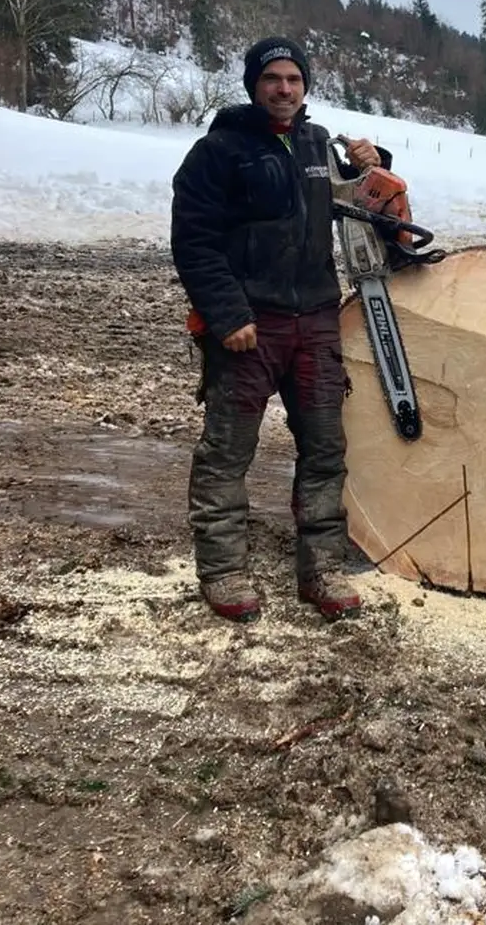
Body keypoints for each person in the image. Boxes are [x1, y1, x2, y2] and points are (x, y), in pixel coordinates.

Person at [171, 35, 386, 623]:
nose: (283, 89)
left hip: (314, 319)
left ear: (306, 85)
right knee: (226, 453)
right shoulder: (218, 151)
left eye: (293, 79)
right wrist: (227, 314)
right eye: (272, 79)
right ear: (253, 85)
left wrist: (375, 162)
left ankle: (320, 566)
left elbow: (352, 197)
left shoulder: (316, 143)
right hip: (249, 326)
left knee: (324, 448)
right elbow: (193, 241)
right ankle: (224, 570)